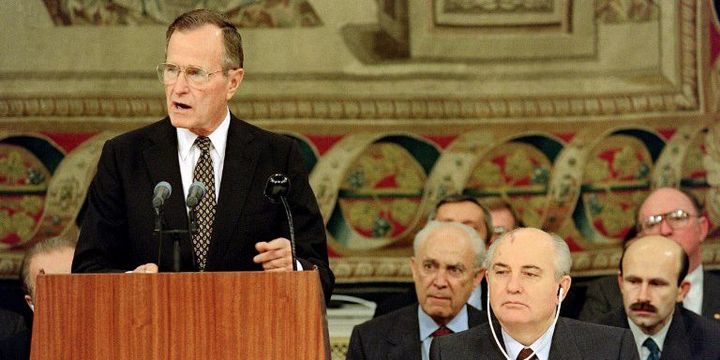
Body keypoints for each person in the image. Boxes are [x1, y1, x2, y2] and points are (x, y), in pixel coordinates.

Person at [71, 9, 333, 300]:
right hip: (151, 333)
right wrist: (129, 283)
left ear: (233, 82)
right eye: (171, 70)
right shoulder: (124, 157)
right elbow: (87, 270)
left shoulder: (276, 157)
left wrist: (294, 268)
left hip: (248, 335)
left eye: (195, 73)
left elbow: (320, 274)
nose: (178, 88)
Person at [430, 228, 638, 360]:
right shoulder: (449, 352)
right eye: (501, 272)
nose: (512, 286)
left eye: (529, 274)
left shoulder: (611, 349)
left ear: (561, 288)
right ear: (487, 280)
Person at [347, 221, 487, 360]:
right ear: (414, 269)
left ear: (476, 278)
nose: (439, 282)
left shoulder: (499, 335)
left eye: (455, 270)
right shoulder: (368, 339)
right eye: (429, 267)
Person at [579, 187, 720, 322]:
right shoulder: (607, 293)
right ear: (640, 237)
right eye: (652, 223)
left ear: (702, 228)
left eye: (678, 217)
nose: (665, 230)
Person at [599, 235, 720, 359]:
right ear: (621, 283)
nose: (643, 297)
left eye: (656, 284)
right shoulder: (590, 341)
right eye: (634, 282)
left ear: (682, 291)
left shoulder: (713, 342)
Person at [373, 194, 490, 317]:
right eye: (445, 227)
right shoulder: (390, 313)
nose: (456, 237)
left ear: (488, 245)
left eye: (469, 228)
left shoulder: (505, 310)